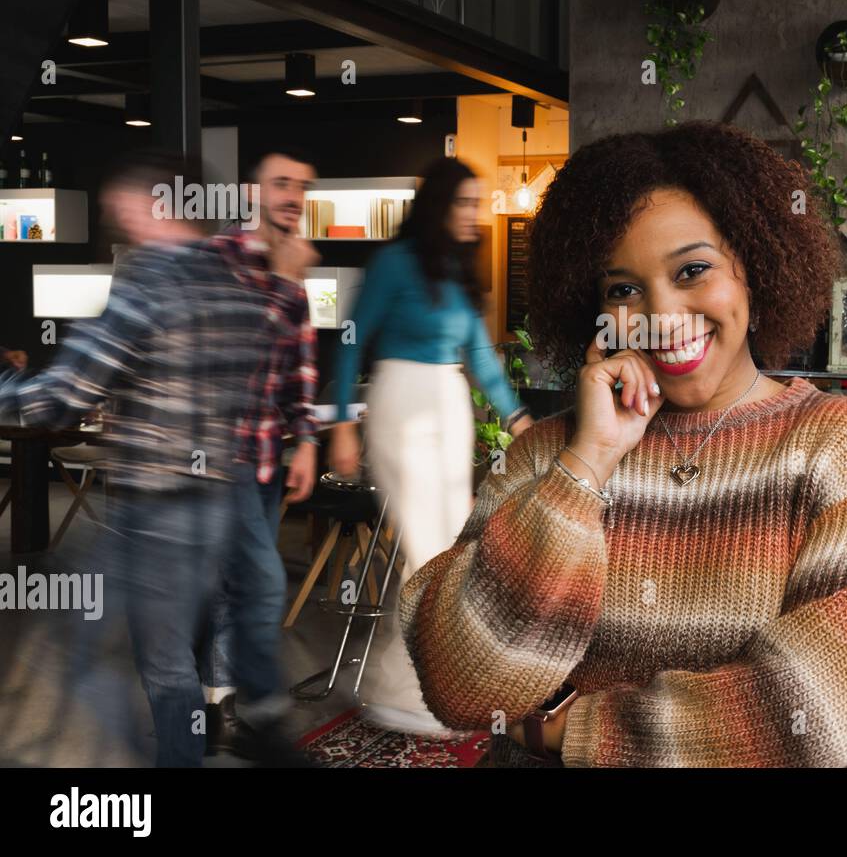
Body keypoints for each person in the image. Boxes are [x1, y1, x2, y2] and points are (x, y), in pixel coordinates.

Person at [398, 122, 847, 767]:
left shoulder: (843, 447)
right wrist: (588, 465)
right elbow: (461, 683)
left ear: (752, 268)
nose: (661, 315)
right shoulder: (549, 456)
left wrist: (561, 729)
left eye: (693, 270)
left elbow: (807, 717)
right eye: (623, 289)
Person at [0, 150, 299, 766]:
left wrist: (7, 390)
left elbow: (64, 395)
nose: (122, 221)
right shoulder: (243, 286)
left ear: (163, 204)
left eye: (127, 208)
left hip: (152, 512)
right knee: (148, 651)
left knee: (120, 657)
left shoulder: (148, 283)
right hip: (216, 500)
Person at [329, 157, 532, 735]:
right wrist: (343, 422)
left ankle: (419, 683)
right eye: (466, 203)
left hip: (449, 406)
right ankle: (403, 691)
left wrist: (521, 422)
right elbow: (351, 339)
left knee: (452, 552)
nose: (476, 214)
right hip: (401, 407)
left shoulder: (460, 271)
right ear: (440, 205)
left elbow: (483, 360)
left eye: (478, 203)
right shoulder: (395, 264)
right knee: (428, 555)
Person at [199, 147, 321, 756]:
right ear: (252, 194)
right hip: (221, 455)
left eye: (301, 185)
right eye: (280, 183)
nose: (292, 196)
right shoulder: (221, 258)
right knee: (265, 579)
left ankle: (219, 708)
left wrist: (307, 440)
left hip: (269, 456)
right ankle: (268, 718)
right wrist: (287, 283)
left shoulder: (293, 267)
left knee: (236, 584)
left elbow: (300, 366)